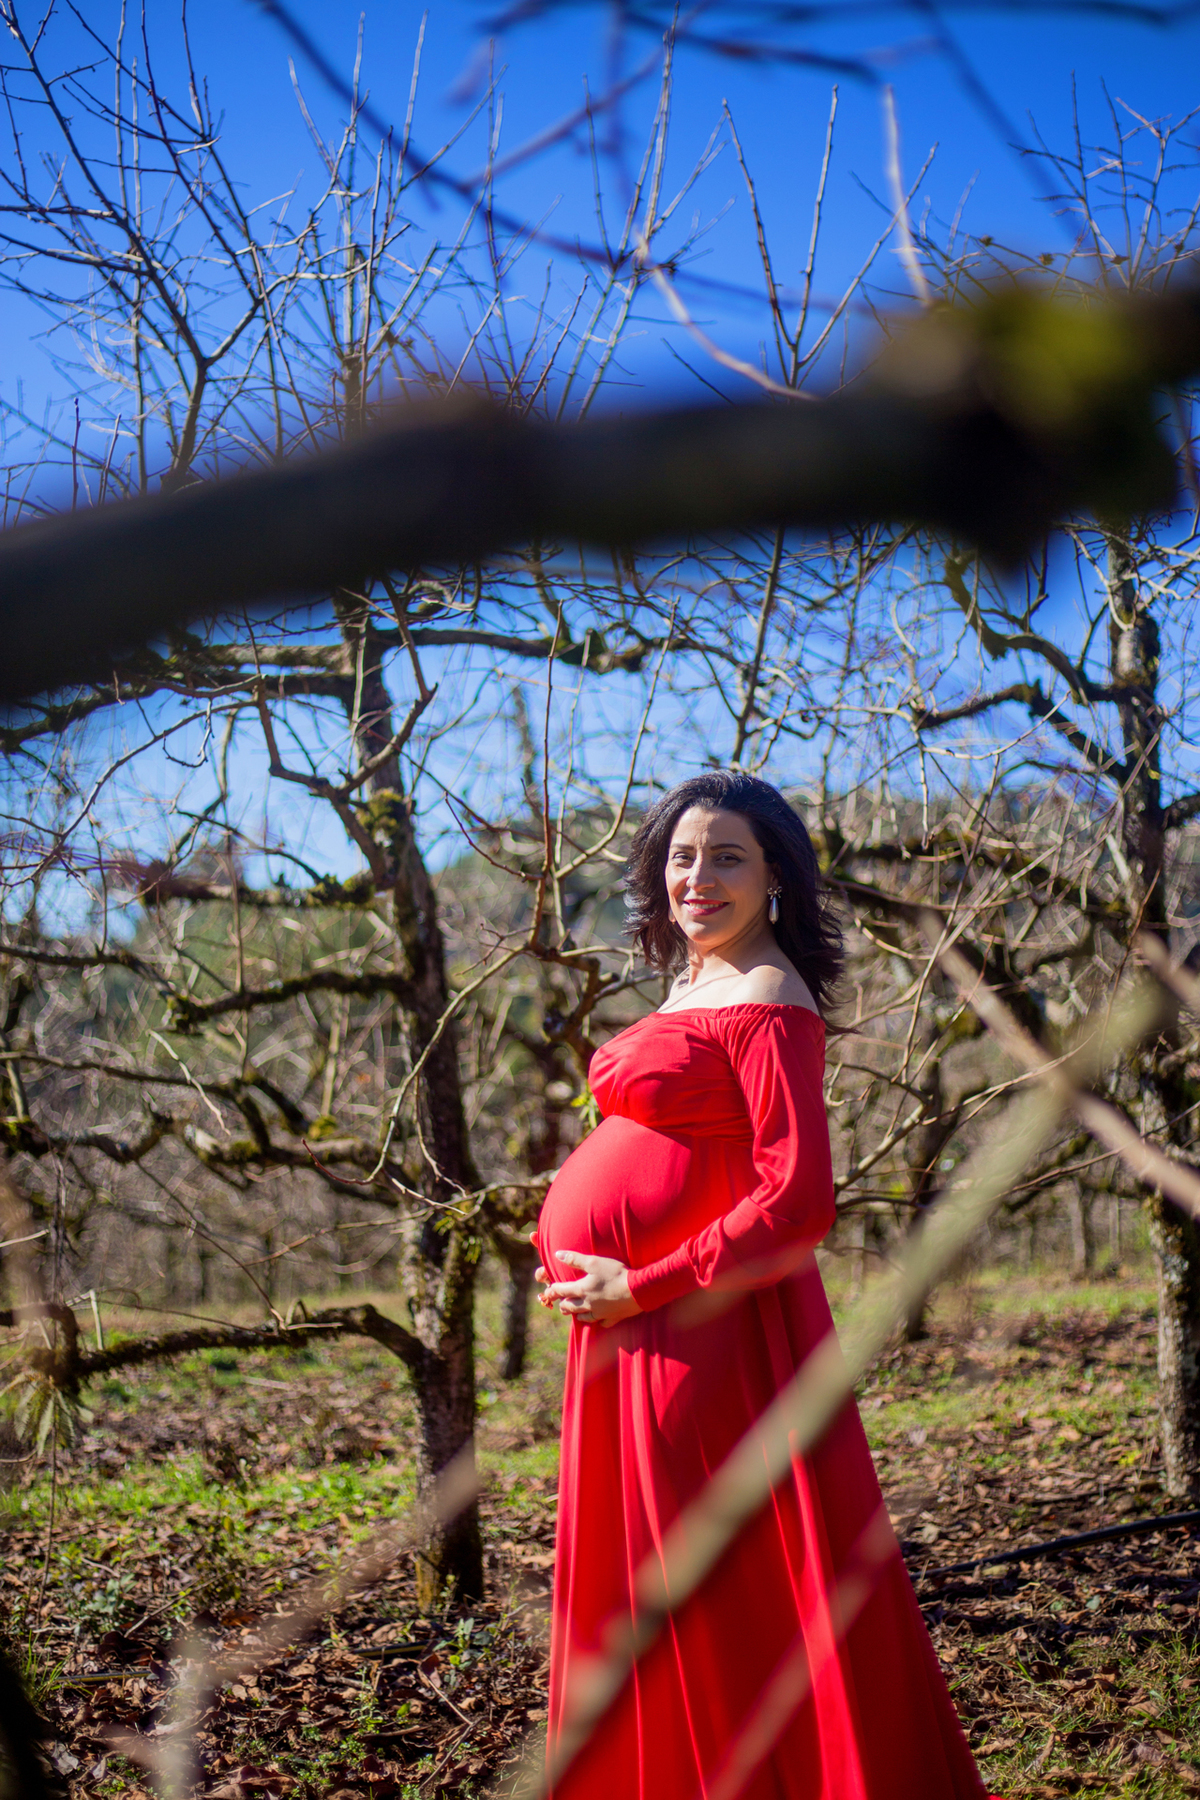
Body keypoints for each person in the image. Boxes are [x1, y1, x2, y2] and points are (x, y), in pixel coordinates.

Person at [532, 771, 993, 1800]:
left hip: (697, 1330)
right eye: (683, 856)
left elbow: (796, 1206)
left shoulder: (767, 999)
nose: (699, 876)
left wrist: (641, 1280)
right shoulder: (694, 982)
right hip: (629, 1322)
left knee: (712, 1592)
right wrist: (570, 1248)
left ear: (776, 875)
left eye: (728, 855)